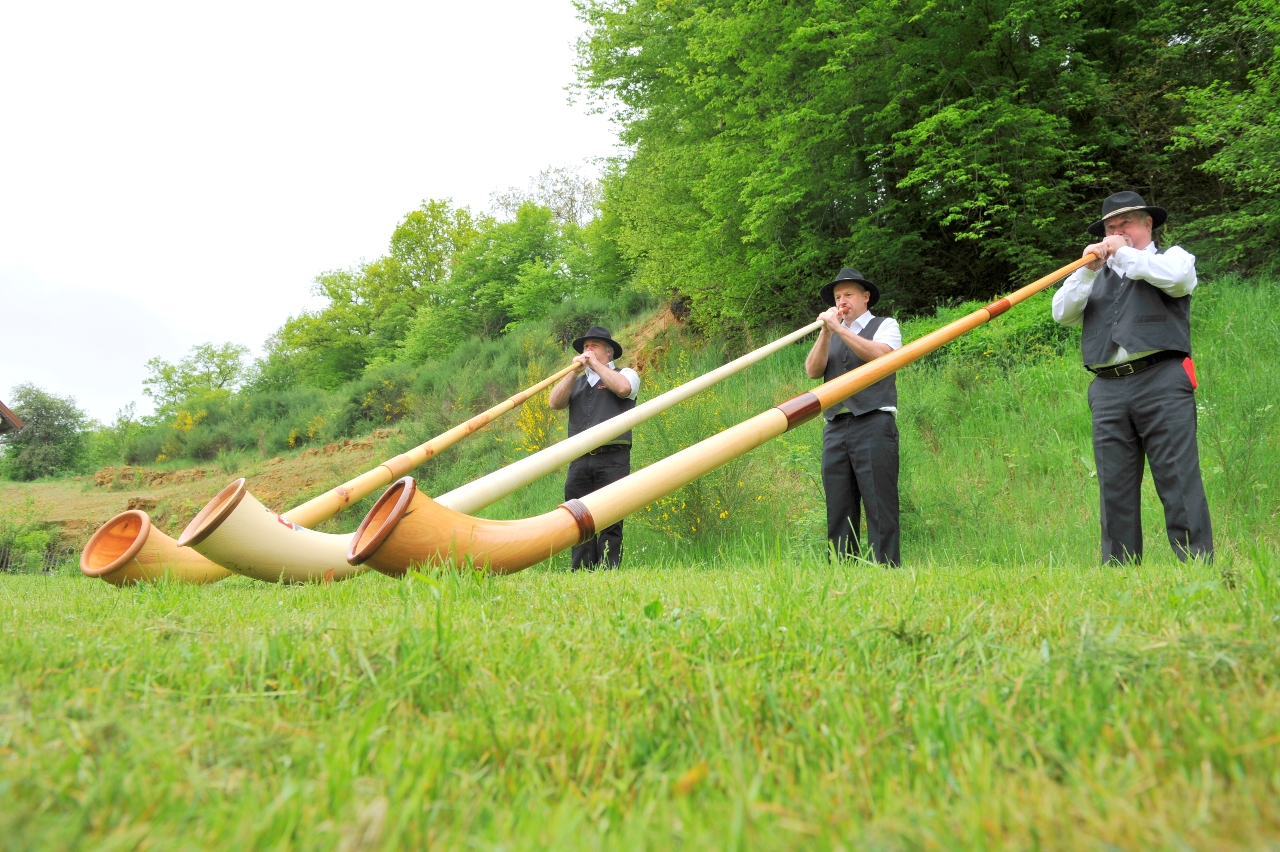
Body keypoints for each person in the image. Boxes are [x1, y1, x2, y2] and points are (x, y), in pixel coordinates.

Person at [1052, 190, 1213, 564]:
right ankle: (1120, 569)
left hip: (1162, 379)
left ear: (1147, 224)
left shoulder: (1173, 258)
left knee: (1177, 479)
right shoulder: (1095, 274)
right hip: (1107, 386)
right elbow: (1063, 312)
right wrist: (1086, 269)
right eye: (1110, 226)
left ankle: (1197, 567)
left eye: (1125, 223)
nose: (1117, 231)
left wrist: (1122, 251)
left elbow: (1176, 281)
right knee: (1114, 487)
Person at [804, 268, 903, 566]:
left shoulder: (885, 325)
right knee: (838, 505)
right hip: (835, 427)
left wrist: (840, 330)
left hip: (874, 423)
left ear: (865, 297)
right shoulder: (831, 332)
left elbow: (883, 357)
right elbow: (812, 370)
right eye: (837, 297)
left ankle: (885, 571)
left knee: (879, 505)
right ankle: (843, 572)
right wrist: (825, 331)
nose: (842, 301)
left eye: (848, 294)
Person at [548, 325, 641, 570]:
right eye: (585, 347)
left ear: (608, 352)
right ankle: (581, 572)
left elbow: (623, 389)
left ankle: (609, 572)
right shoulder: (576, 382)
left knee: (610, 519)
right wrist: (572, 372)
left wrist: (596, 366)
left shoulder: (627, 373)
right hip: (579, 461)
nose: (587, 350)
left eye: (594, 346)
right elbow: (554, 403)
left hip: (613, 459)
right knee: (578, 520)